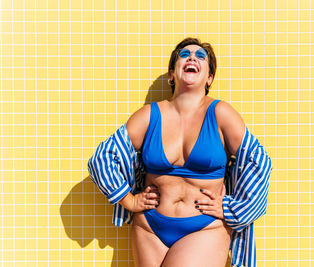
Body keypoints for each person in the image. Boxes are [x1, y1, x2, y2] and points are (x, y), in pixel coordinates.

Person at [88, 37, 272, 267]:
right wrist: (129, 200)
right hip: (149, 228)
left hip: (204, 227)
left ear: (209, 78)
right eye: (184, 55)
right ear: (171, 74)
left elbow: (259, 162)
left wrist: (234, 208)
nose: (192, 57)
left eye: (200, 56)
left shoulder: (220, 113)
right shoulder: (149, 115)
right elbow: (103, 158)